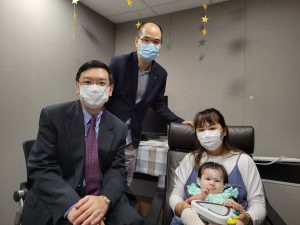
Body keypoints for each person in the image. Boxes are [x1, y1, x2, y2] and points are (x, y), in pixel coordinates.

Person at [22, 60, 143, 225]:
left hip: (100, 194)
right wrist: (73, 206)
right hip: (62, 194)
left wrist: (104, 200)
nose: (94, 87)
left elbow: (117, 170)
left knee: (133, 221)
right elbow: (41, 167)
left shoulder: (119, 127)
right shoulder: (53, 116)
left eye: (101, 83)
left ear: (110, 90)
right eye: (87, 82)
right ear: (77, 86)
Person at [106, 21, 192, 185]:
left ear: (160, 45)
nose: (151, 45)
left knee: (123, 185)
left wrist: (179, 121)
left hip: (131, 140)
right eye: (146, 40)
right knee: (97, 182)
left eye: (156, 41)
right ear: (137, 41)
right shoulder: (118, 63)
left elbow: (158, 104)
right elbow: (106, 95)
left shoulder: (161, 74)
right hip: (108, 133)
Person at [169, 108, 266, 225]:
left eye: (212, 128)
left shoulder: (244, 161)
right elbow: (176, 195)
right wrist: (181, 207)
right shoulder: (190, 159)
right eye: (201, 130)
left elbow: (258, 204)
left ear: (224, 131)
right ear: (196, 135)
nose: (207, 134)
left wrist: (247, 218)